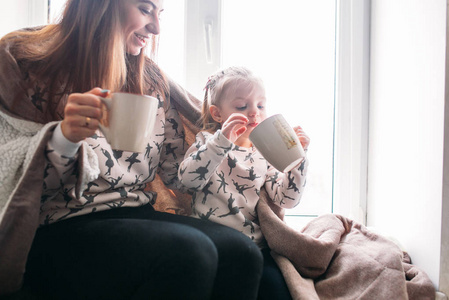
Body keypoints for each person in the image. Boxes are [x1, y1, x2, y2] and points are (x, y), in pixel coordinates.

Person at [0, 1, 264, 299]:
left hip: (136, 210)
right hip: (59, 222)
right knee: (189, 252)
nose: (156, 28)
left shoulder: (151, 81)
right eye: (145, 9)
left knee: (244, 254)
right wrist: (64, 137)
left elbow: (179, 174)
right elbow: (11, 176)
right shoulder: (27, 66)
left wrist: (241, 153)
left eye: (160, 14)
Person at [178, 66, 310, 299]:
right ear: (218, 114)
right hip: (211, 241)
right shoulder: (207, 142)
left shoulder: (265, 152)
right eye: (242, 106)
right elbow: (188, 180)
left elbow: (287, 199)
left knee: (278, 291)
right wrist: (221, 142)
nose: (254, 113)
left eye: (260, 106)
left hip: (257, 246)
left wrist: (298, 159)